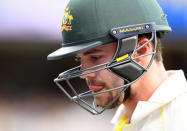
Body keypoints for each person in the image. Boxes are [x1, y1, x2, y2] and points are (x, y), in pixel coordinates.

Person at [48, 0, 187, 130]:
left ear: (140, 51)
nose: (85, 74)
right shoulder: (130, 119)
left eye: (95, 57)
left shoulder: (178, 121)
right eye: (79, 59)